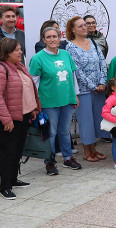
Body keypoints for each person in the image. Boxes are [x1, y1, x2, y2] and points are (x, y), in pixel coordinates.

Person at [0, 38, 40, 199]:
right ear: (7, 53)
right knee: (7, 151)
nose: (20, 52)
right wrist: (6, 119)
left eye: (20, 49)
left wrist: (33, 108)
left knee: (17, 149)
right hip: (7, 118)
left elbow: (27, 88)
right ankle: (5, 186)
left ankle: (13, 178)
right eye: (17, 50)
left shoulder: (19, 66)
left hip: (22, 114)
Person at [28, 26, 81, 176]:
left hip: (67, 100)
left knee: (64, 131)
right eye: (49, 37)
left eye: (55, 36)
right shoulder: (38, 58)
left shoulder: (65, 54)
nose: (52, 39)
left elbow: (72, 76)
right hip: (49, 102)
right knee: (50, 132)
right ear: (43, 40)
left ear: (59, 38)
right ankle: (49, 161)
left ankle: (67, 157)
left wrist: (75, 95)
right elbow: (33, 83)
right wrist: (35, 103)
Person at [67, 16, 109, 162]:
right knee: (86, 121)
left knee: (97, 119)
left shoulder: (93, 42)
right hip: (84, 91)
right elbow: (77, 71)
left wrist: (102, 82)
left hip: (99, 89)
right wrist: (92, 86)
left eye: (85, 25)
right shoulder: (70, 47)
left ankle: (94, 149)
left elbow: (102, 63)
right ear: (72, 30)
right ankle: (87, 151)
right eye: (80, 26)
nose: (84, 28)